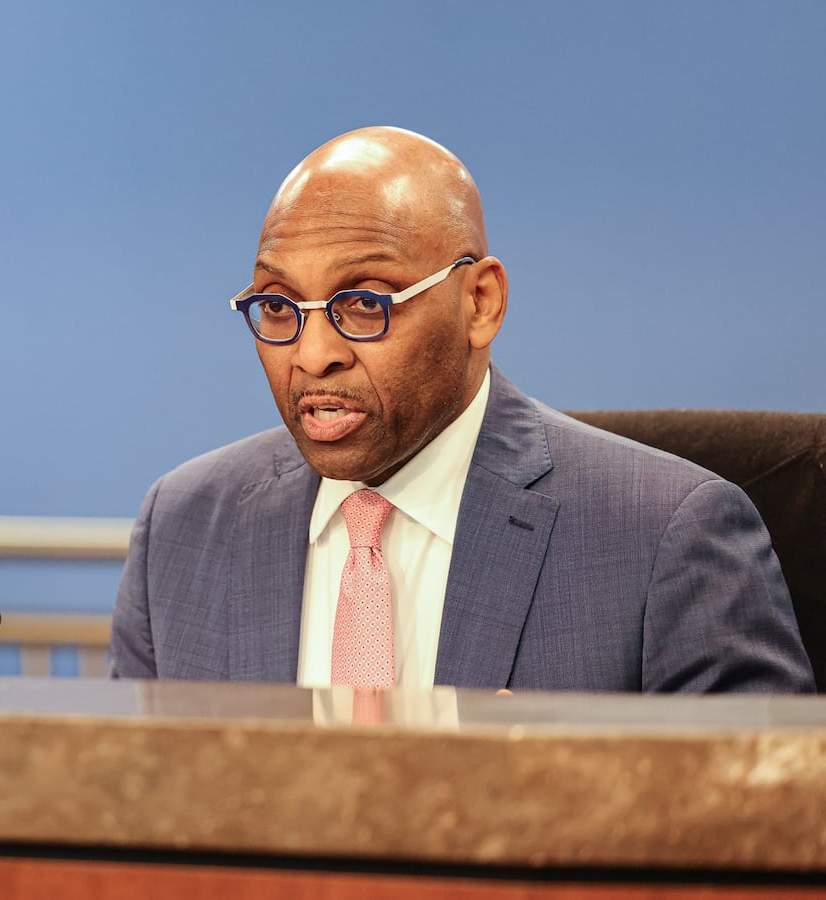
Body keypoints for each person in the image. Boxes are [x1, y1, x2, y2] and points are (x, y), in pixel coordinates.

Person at [110, 126, 813, 693]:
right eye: (278, 307)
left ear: (480, 304)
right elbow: (123, 827)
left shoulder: (665, 538)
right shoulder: (184, 527)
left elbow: (761, 836)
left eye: (364, 304)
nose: (311, 353)